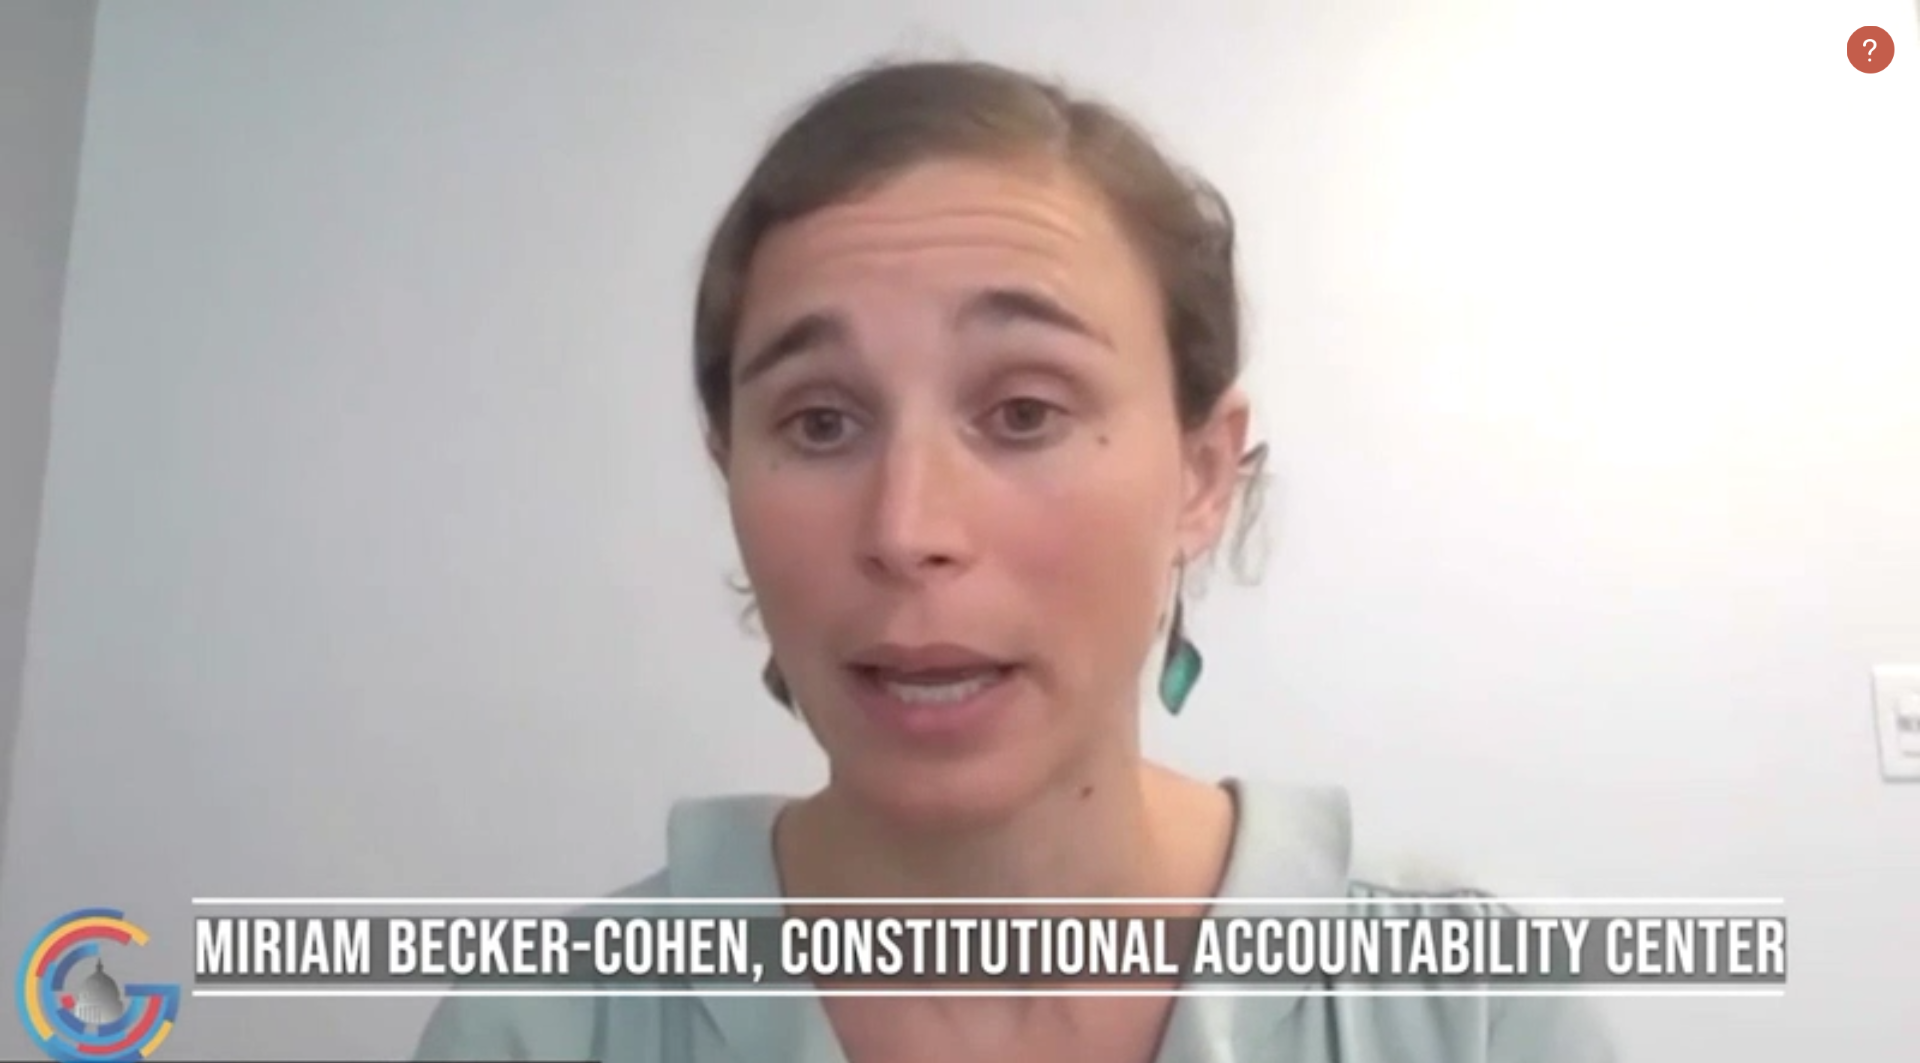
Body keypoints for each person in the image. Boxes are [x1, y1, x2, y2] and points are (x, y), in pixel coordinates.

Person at [414, 57, 1617, 1062]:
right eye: (821, 422)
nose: (906, 528)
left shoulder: (1471, 1012)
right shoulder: (539, 1031)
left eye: (1025, 411)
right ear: (728, 468)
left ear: (1202, 474)